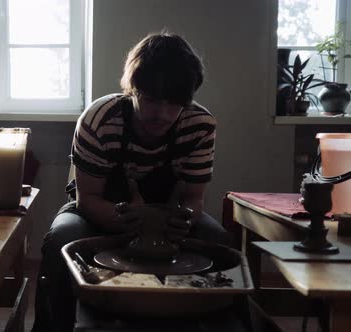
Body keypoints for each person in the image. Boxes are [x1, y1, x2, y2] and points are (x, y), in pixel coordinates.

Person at [31, 32, 232, 332]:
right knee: (62, 240)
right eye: (151, 101)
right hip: (96, 212)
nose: (162, 114)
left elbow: (194, 198)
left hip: (166, 218)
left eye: (174, 103)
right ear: (133, 90)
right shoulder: (99, 119)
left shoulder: (200, 125)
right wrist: (128, 220)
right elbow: (88, 199)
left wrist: (182, 219)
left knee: (218, 244)